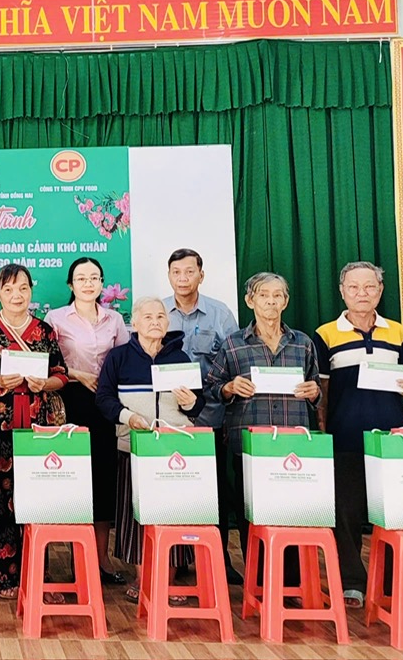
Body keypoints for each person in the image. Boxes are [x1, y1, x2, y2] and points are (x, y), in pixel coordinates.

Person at [313, 262, 403, 609]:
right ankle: (352, 584)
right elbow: (322, 390)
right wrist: (323, 428)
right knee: (345, 514)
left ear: (380, 291)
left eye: (370, 287)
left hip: (391, 439)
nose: (362, 294)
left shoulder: (399, 333)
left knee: (395, 514)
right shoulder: (325, 334)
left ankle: (392, 585)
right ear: (342, 292)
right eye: (354, 287)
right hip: (344, 436)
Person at [204, 272, 320, 586]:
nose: (271, 302)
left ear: (286, 301)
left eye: (277, 295)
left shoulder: (303, 343)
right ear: (249, 301)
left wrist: (314, 393)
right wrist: (229, 387)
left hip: (292, 444)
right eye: (263, 295)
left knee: (292, 513)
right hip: (249, 444)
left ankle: (292, 583)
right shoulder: (233, 343)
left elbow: (315, 388)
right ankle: (259, 582)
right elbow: (213, 387)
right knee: (251, 514)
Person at [0, 263, 68, 598]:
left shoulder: (44, 330)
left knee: (39, 498)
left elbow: (61, 374)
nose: (16, 295)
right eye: (8, 289)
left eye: (22, 288)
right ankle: (2, 577)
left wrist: (44, 383)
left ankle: (39, 577)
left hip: (38, 425)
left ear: (31, 291)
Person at [96, 296, 204, 605]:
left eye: (160, 317)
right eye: (148, 317)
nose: (155, 321)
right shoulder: (119, 357)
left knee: (172, 514)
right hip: (133, 447)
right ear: (135, 323)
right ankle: (143, 579)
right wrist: (127, 417)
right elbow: (103, 398)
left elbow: (198, 404)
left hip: (173, 451)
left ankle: (167, 580)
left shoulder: (180, 358)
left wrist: (190, 403)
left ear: (168, 323)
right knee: (135, 517)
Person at [45, 257, 130, 586]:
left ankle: (100, 559)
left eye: (94, 277)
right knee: (69, 479)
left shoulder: (115, 319)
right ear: (71, 284)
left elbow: (123, 360)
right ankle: (72, 558)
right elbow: (47, 362)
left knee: (103, 480)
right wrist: (77, 374)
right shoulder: (55, 318)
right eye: (81, 278)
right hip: (68, 401)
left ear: (102, 283)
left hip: (105, 404)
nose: (88, 283)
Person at [162, 248, 244, 583]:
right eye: (176, 272)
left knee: (216, 492)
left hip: (211, 416)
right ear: (169, 276)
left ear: (201, 275)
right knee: (172, 488)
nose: (182, 278)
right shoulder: (159, 313)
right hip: (170, 419)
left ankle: (219, 560)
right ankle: (178, 559)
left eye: (189, 272)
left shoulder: (220, 314)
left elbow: (235, 363)